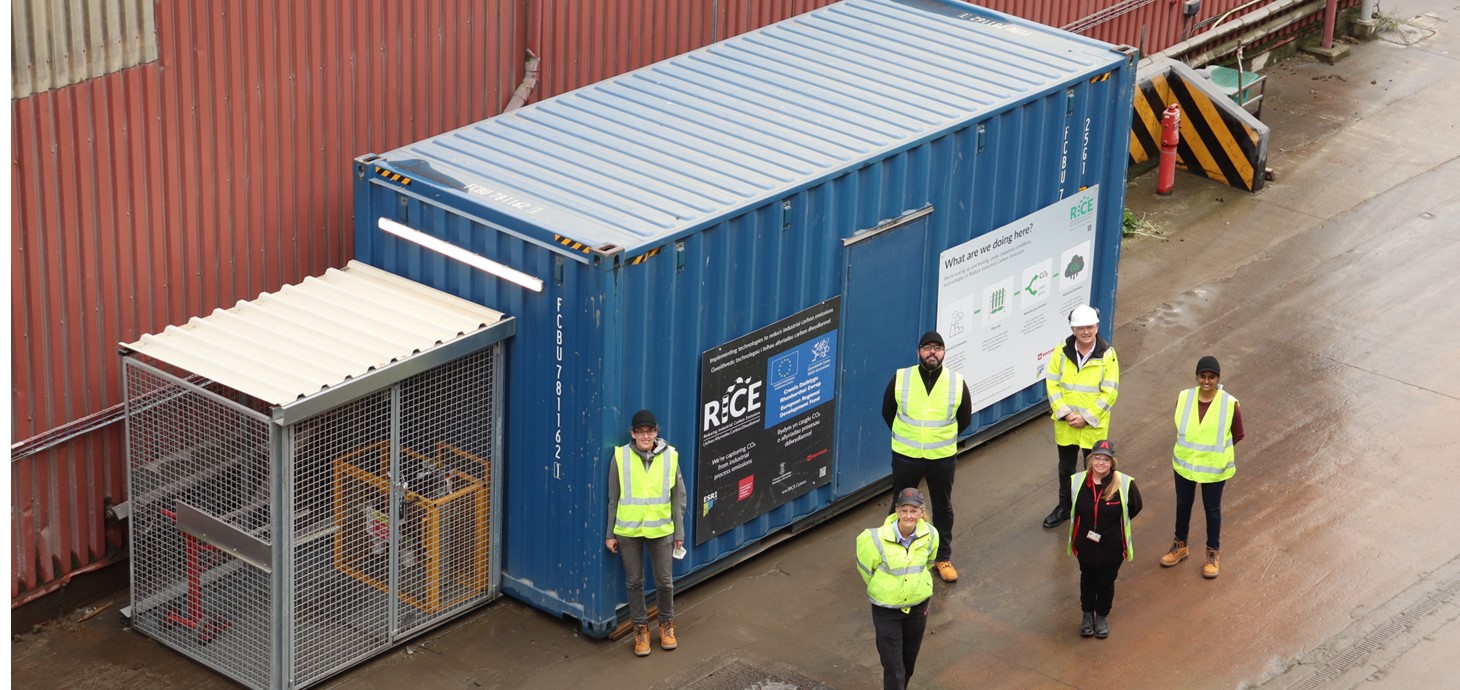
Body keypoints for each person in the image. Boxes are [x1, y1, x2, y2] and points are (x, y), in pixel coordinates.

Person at [883, 330, 972, 582]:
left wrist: (937, 439)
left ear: (944, 352)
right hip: (906, 455)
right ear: (918, 351)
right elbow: (887, 412)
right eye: (927, 347)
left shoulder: (956, 381)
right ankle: (894, 551)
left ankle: (942, 557)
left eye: (938, 348)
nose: (932, 352)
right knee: (899, 505)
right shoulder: (901, 378)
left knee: (942, 507)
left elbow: (963, 419)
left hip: (941, 457)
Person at [605, 409, 686, 656]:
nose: (645, 435)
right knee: (635, 582)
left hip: (661, 530)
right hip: (628, 531)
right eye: (640, 431)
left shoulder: (671, 456)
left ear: (656, 433)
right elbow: (613, 499)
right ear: (633, 433)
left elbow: (677, 498)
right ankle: (640, 630)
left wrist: (678, 531)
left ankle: (666, 625)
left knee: (664, 582)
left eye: (649, 431)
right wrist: (610, 533)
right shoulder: (620, 457)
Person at [1160, 355, 1244, 578]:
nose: (1207, 381)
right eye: (1202, 376)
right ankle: (1180, 546)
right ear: (1197, 377)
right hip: (1185, 465)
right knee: (1183, 505)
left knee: (1212, 510)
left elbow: (1238, 434)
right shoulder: (1184, 397)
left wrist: (1214, 453)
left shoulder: (1229, 403)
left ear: (1218, 378)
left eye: (1211, 377)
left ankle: (1212, 553)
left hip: (1214, 468)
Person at [1042, 305, 1121, 529]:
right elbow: (1052, 382)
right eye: (1080, 328)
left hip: (1092, 426)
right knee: (1066, 468)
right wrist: (1066, 413)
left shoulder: (1107, 355)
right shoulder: (1062, 351)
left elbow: (1110, 392)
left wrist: (1086, 417)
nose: (1085, 332)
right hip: (1067, 423)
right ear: (1073, 329)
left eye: (1090, 327)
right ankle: (1064, 507)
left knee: (1097, 468)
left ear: (1097, 327)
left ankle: (1093, 510)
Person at [858, 488, 940, 690]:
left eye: (914, 511)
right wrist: (885, 588)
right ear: (896, 511)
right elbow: (866, 571)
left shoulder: (931, 534)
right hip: (887, 610)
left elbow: (928, 564)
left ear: (922, 512)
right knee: (894, 668)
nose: (909, 516)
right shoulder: (873, 539)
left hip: (917, 607)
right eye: (904, 510)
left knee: (907, 664)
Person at [1067, 439, 1141, 639]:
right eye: (1097, 458)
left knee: (1106, 583)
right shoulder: (1077, 481)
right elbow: (1070, 505)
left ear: (1112, 462)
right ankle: (1087, 615)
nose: (1101, 463)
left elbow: (1135, 507)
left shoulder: (1125, 484)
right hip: (1085, 544)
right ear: (1090, 460)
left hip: (1112, 547)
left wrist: (1110, 526)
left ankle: (1101, 616)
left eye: (1105, 459)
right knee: (1087, 580)